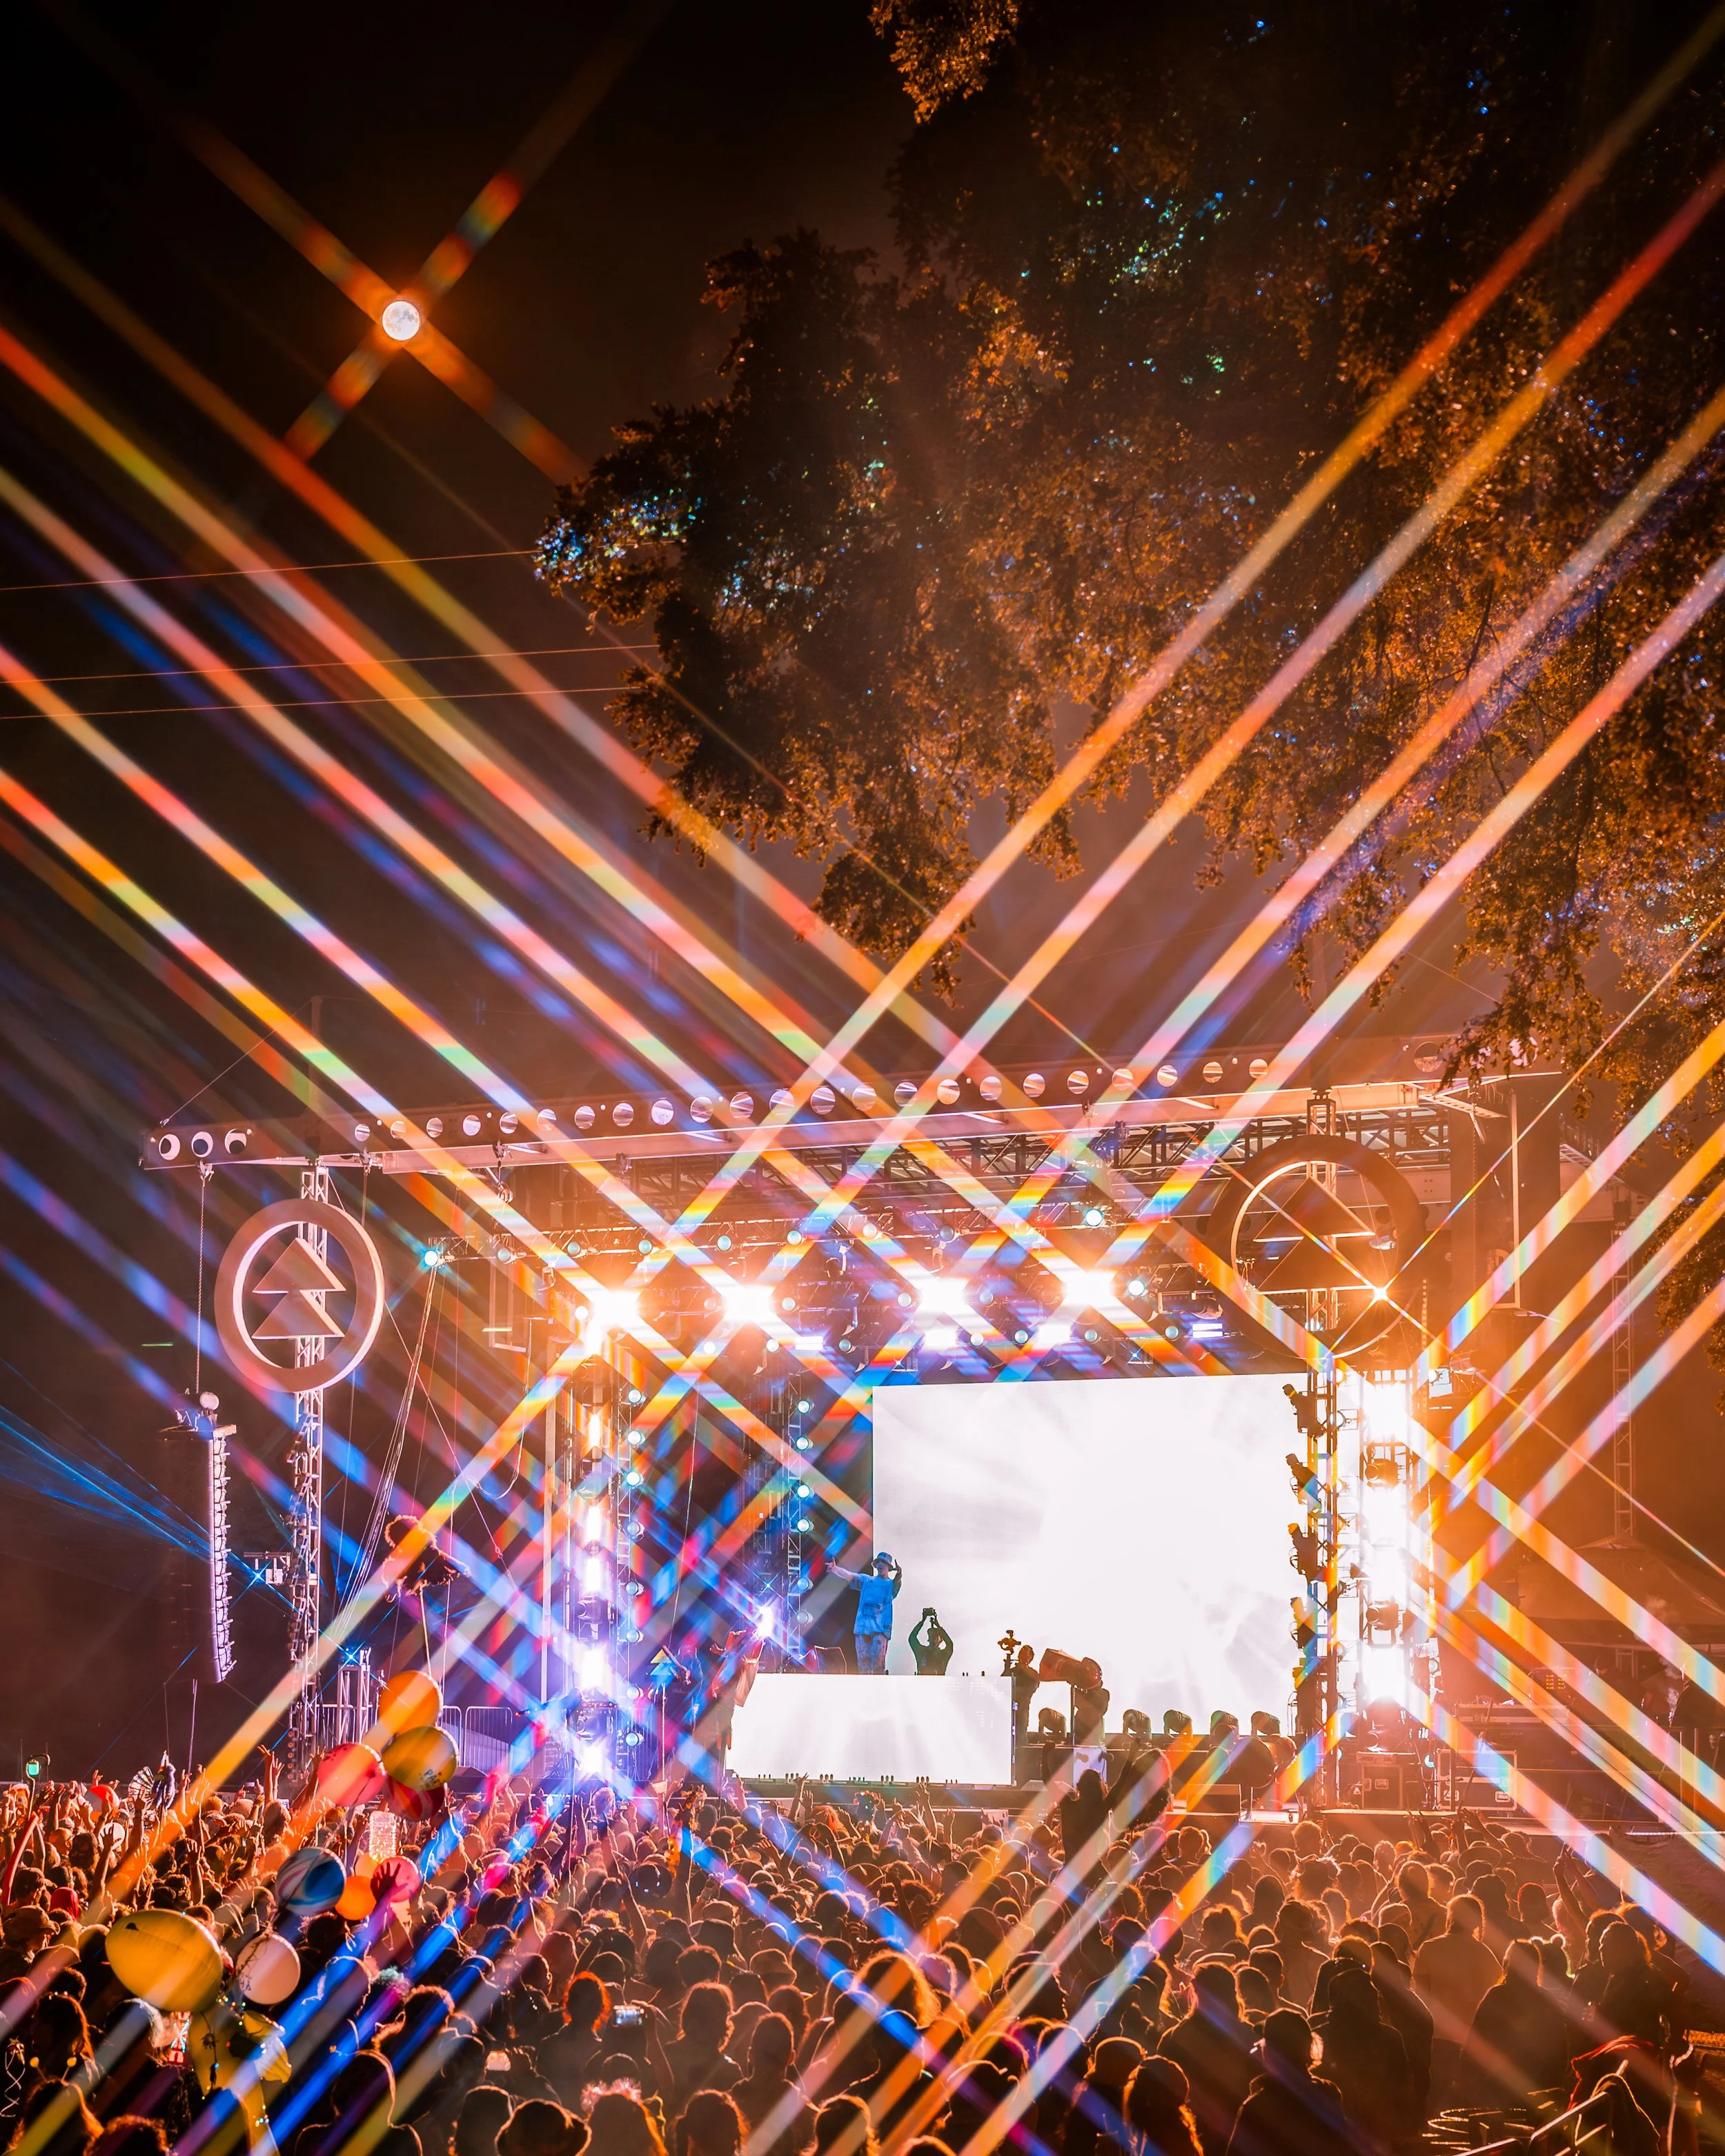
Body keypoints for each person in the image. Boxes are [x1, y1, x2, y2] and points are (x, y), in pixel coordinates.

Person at [1225, 2008, 1347, 2156]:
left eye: (1264, 2042)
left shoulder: (1257, 2107)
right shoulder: (1329, 2093)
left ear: (1270, 2050)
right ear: (1309, 2045)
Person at [829, 1554, 902, 1674]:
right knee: (863, 1664)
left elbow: (897, 1582)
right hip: (863, 1627)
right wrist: (836, 1569)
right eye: (878, 1562)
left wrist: (899, 1573)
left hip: (879, 1630)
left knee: (878, 1664)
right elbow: (850, 1576)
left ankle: (878, 1689)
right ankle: (865, 1689)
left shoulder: (890, 1585)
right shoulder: (868, 1580)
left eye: (883, 1563)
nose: (880, 1565)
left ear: (889, 1567)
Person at [907, 1610, 953, 1676]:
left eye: (935, 1637)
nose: (933, 1639)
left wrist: (939, 1627)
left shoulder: (943, 1654)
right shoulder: (922, 1652)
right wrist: (922, 1621)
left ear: (940, 1640)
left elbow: (950, 1645)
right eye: (931, 1636)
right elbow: (912, 1639)